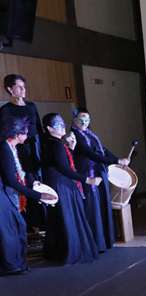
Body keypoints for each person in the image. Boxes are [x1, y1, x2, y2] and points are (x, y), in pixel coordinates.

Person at [41, 113, 100, 265]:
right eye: (58, 124)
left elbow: (62, 164)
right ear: (49, 128)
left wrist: (71, 148)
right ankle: (69, 251)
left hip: (58, 182)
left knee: (60, 218)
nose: (62, 127)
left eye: (62, 123)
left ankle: (58, 251)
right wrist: (87, 179)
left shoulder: (51, 142)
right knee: (66, 217)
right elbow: (64, 168)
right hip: (61, 184)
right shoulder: (55, 144)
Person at [0, 117, 54, 274]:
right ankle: (11, 266)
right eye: (25, 133)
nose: (27, 136)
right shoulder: (4, 149)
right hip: (3, 194)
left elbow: (19, 175)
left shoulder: (11, 147)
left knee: (18, 227)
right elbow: (11, 180)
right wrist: (38, 195)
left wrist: (32, 184)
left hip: (7, 192)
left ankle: (17, 264)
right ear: (17, 134)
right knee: (10, 230)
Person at [71, 108, 129, 251]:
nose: (84, 122)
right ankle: (96, 243)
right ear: (74, 120)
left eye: (87, 119)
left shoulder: (90, 134)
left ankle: (106, 240)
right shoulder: (74, 136)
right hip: (88, 174)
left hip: (98, 172)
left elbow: (102, 149)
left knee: (102, 205)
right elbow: (89, 153)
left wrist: (117, 159)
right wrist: (115, 161)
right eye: (81, 119)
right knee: (93, 207)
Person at [0, 74, 44, 229]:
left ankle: (39, 223)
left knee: (37, 182)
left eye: (24, 87)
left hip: (33, 150)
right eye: (19, 87)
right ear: (10, 89)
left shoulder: (31, 106)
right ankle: (26, 224)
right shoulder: (5, 110)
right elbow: (4, 136)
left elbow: (38, 130)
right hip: (16, 152)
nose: (24, 90)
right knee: (21, 183)